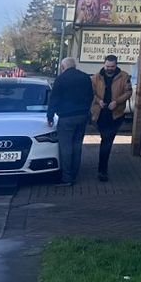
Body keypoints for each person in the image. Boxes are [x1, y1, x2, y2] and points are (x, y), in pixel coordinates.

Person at [45, 56, 94, 185]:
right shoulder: (85, 77)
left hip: (67, 118)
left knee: (66, 148)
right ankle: (74, 173)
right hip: (82, 116)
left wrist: (50, 116)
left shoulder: (61, 79)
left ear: (63, 67)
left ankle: (67, 178)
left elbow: (54, 99)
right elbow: (91, 95)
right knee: (77, 146)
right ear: (75, 66)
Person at [91, 55, 133, 182]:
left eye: (112, 66)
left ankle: (102, 169)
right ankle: (102, 169)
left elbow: (128, 92)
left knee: (107, 140)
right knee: (106, 139)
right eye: (107, 66)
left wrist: (117, 101)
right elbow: (91, 93)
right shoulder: (96, 77)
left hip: (116, 114)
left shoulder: (124, 76)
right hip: (101, 113)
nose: (109, 69)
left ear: (116, 65)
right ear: (104, 64)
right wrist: (99, 101)